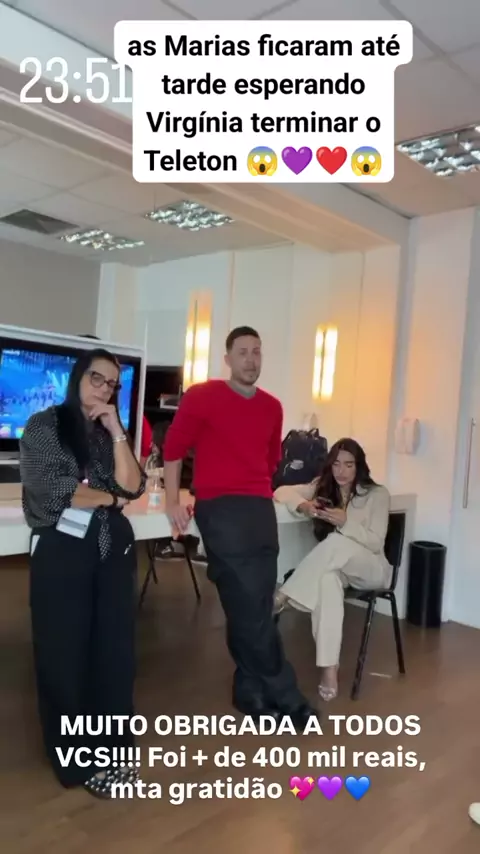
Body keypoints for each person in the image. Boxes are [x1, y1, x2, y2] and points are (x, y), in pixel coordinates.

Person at [163, 326, 316, 728]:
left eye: (257, 352)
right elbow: (173, 450)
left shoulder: (272, 407)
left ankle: (248, 691)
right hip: (221, 509)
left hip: (259, 508)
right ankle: (287, 695)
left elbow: (269, 462)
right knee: (249, 605)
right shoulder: (203, 396)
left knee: (255, 604)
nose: (251, 359)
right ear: (228, 359)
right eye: (243, 352)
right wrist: (172, 501)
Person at [19, 348, 146, 798]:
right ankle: (76, 761)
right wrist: (110, 499)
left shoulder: (107, 435)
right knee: (64, 655)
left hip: (112, 550)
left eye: (112, 384)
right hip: (63, 551)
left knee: (114, 655)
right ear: (77, 378)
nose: (104, 390)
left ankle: (114, 750)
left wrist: (117, 431)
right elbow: (56, 490)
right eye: (97, 379)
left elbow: (133, 485)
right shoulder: (44, 426)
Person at [273, 438, 392, 701]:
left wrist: (345, 523)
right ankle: (329, 669)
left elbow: (376, 542)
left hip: (371, 568)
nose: (341, 471)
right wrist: (304, 506)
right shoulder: (323, 486)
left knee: (337, 541)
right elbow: (281, 491)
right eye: (336, 464)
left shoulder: (377, 494)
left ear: (359, 466)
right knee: (327, 581)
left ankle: (283, 596)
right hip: (337, 566)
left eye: (349, 465)